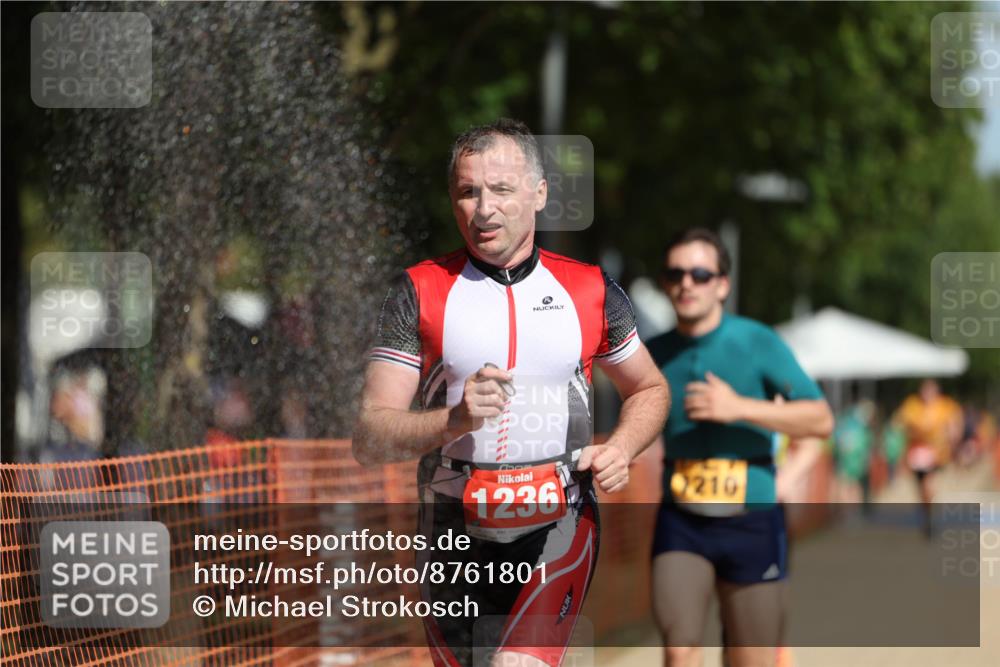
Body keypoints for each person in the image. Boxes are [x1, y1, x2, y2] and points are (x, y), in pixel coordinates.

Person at [353, 118, 670, 667]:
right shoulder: (418, 291)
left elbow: (649, 387)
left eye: (500, 190)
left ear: (539, 194)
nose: (483, 209)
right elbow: (370, 434)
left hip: (558, 521)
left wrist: (622, 447)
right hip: (451, 535)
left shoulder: (591, 290)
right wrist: (453, 420)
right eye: (468, 192)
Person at [645, 227, 833, 667]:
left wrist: (739, 408)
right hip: (681, 521)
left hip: (753, 521)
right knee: (679, 650)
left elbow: (821, 419)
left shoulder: (756, 341)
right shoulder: (650, 353)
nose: (686, 283)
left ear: (722, 285)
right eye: (675, 274)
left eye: (700, 274)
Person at [891, 379, 962, 536]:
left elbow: (954, 425)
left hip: (936, 453)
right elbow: (900, 424)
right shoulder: (912, 405)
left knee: (928, 484)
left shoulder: (945, 406)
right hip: (916, 452)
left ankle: (929, 515)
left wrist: (952, 442)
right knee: (921, 487)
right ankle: (926, 512)